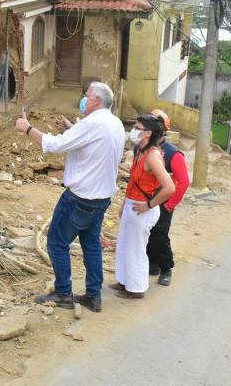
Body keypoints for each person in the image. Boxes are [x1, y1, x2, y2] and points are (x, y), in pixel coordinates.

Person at [15, 82, 125, 313]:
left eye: (86, 96)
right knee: (91, 246)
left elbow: (52, 145)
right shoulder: (114, 123)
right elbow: (91, 145)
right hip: (102, 197)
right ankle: (93, 296)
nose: (83, 100)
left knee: (56, 242)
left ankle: (64, 292)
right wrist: (71, 129)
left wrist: (27, 128)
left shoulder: (91, 123)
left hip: (80, 198)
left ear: (95, 100)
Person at [110, 114, 175, 299]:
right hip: (133, 204)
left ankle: (137, 288)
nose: (134, 131)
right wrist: (124, 203)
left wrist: (149, 204)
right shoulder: (140, 151)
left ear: (147, 133)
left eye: (137, 127)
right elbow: (133, 182)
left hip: (142, 208)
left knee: (136, 250)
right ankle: (124, 281)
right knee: (124, 246)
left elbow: (169, 187)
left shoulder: (153, 156)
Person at [145, 109, 191, 287]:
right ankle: (152, 264)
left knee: (160, 235)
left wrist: (170, 205)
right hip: (146, 197)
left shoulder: (173, 153)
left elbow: (184, 181)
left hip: (163, 200)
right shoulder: (143, 148)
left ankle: (166, 268)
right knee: (146, 233)